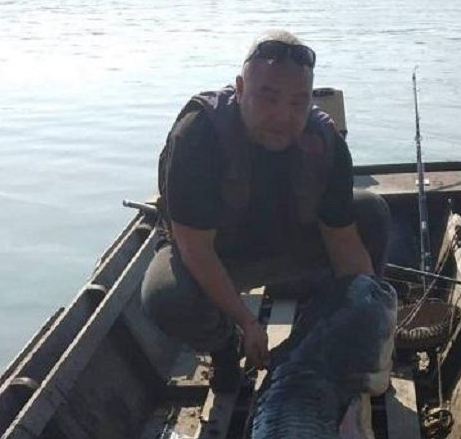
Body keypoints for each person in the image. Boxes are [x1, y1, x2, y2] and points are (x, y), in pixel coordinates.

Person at [140, 29, 391, 391]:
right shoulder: (197, 135)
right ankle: (224, 351)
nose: (283, 116)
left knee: (371, 212)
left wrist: (370, 321)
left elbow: (345, 245)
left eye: (297, 103)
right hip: (218, 258)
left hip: (290, 251)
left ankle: (333, 339)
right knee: (165, 297)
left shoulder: (325, 143)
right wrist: (246, 322)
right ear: (240, 89)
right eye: (268, 98)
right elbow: (196, 249)